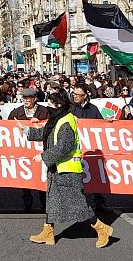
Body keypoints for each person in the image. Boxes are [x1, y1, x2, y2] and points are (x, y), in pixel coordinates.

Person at [19, 86, 113, 247]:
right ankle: (48, 232)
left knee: (78, 205)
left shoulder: (66, 122)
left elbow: (64, 147)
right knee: (52, 202)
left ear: (58, 105)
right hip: (57, 170)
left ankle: (102, 228)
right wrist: (27, 131)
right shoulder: (58, 118)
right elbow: (47, 133)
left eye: (50, 104)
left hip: (68, 171)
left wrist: (42, 156)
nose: (47, 106)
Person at [8, 88, 50, 213]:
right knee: (26, 178)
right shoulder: (16, 113)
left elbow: (51, 126)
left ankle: (45, 204)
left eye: (28, 98)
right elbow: (7, 128)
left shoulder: (44, 112)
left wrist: (41, 122)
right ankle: (28, 204)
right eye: (24, 98)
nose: (26, 100)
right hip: (23, 150)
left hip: (39, 149)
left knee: (42, 177)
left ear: (35, 99)